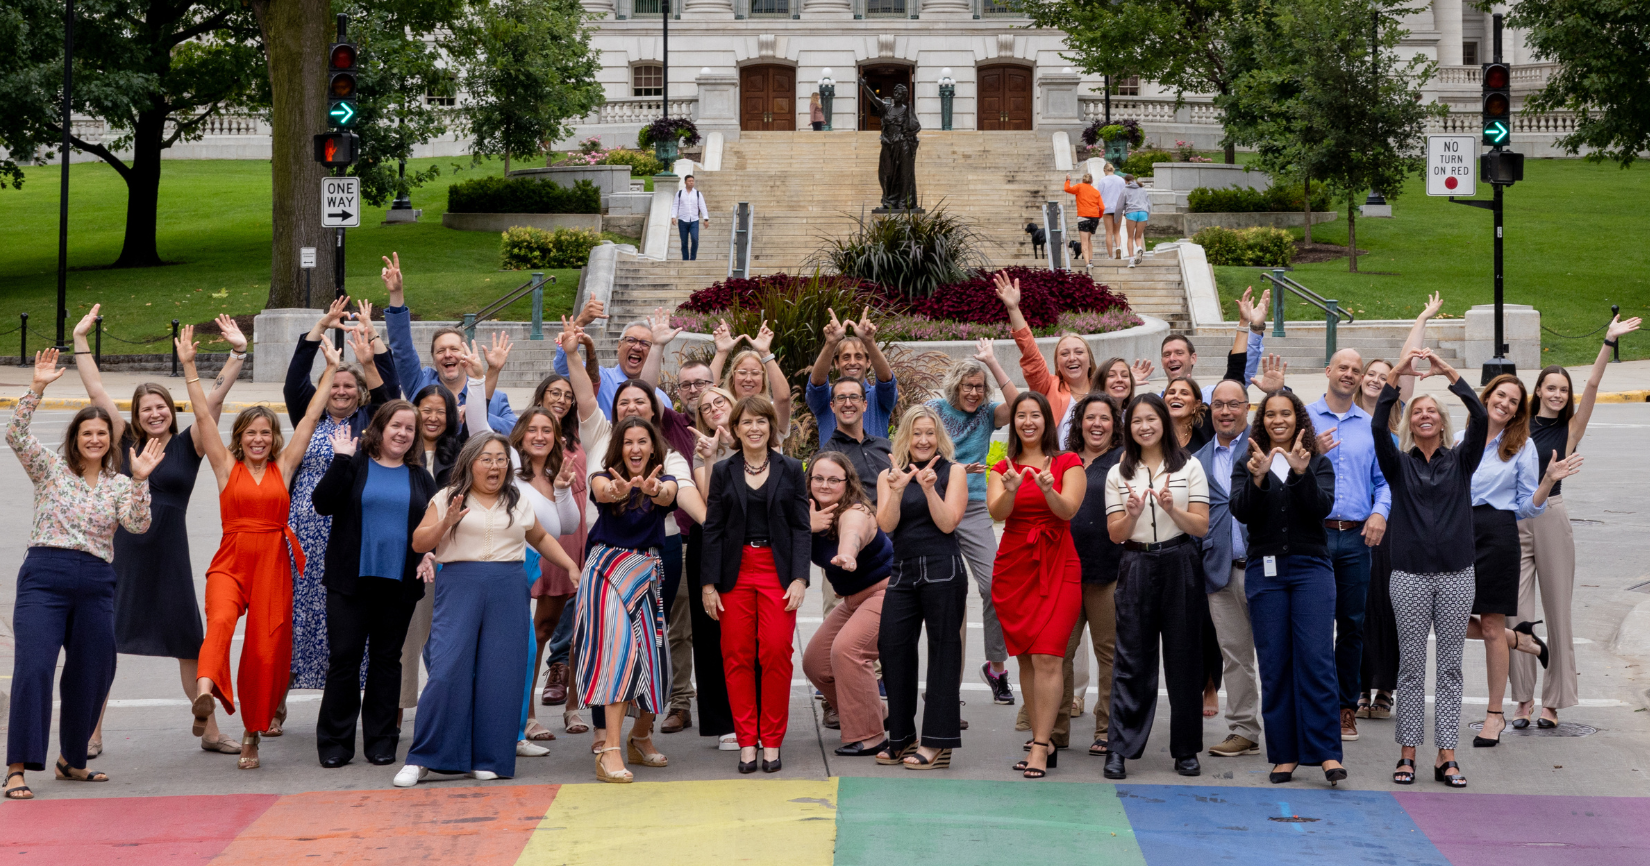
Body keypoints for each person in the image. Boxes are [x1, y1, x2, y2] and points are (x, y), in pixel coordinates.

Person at [71, 306, 247, 757]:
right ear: (136, 415)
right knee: (104, 640)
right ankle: (91, 731)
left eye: (161, 407)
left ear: (172, 411)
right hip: (124, 552)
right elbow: (94, 387)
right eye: (146, 409)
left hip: (170, 553)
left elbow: (215, 400)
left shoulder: (191, 444)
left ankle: (208, 731)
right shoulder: (124, 441)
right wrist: (81, 340)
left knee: (190, 641)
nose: (155, 414)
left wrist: (238, 353)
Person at [5, 349, 161, 800]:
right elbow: (15, 433)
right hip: (45, 576)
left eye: (102, 434)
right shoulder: (51, 470)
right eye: (86, 433)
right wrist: (36, 388)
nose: (94, 439)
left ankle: (71, 760)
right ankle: (17, 767)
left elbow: (137, 525)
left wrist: (140, 480)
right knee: (34, 668)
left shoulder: (118, 483)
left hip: (96, 582)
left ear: (111, 441)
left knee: (94, 669)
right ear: (74, 439)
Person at [186, 328, 336, 771]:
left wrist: (329, 370)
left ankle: (252, 734)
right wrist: (191, 366)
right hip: (231, 561)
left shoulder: (285, 467)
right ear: (240, 437)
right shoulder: (224, 466)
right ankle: (205, 693)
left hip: (273, 563)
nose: (259, 440)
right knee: (219, 622)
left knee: (265, 653)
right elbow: (202, 417)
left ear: (273, 439)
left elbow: (310, 418)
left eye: (266, 434)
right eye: (252, 433)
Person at [395, 432, 581, 787]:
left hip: (509, 588)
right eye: (487, 459)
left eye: (500, 459)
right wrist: (446, 522)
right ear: (470, 463)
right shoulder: (447, 497)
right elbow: (420, 541)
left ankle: (490, 756)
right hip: (460, 585)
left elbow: (539, 538)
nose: (495, 466)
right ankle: (423, 757)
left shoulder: (518, 500)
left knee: (501, 674)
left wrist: (570, 564)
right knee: (447, 669)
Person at [560, 319, 707, 753]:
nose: (631, 407)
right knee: (608, 647)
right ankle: (606, 737)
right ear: (615, 408)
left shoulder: (669, 454)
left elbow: (687, 499)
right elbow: (585, 395)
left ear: (654, 408)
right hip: (607, 554)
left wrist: (667, 495)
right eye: (624, 401)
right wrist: (572, 353)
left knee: (649, 648)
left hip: (657, 552)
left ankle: (641, 734)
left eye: (640, 401)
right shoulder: (602, 436)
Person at [1514, 315, 1640, 728]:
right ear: (1538, 390)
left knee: (1558, 614)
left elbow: (1591, 387)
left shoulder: (1570, 428)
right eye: (1550, 387)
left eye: (1562, 390)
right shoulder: (1517, 427)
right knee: (1516, 615)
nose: (1557, 394)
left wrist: (1608, 342)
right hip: (1514, 522)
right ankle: (1521, 701)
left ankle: (1553, 702)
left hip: (1551, 518)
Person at [283, 299, 402, 725]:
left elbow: (390, 390)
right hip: (303, 532)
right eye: (334, 386)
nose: (341, 392)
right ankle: (278, 698)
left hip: (351, 532)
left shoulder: (370, 423)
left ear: (359, 394)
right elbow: (294, 380)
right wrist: (319, 329)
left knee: (348, 625)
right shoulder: (308, 418)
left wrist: (372, 338)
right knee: (294, 615)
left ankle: (347, 703)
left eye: (349, 387)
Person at [1373, 348, 1487, 788]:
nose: (1424, 416)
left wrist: (1448, 373)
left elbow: (1480, 415)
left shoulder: (1461, 460)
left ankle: (1447, 756)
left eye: (1431, 411)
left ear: (1441, 421)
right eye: (1417, 411)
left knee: (1452, 667)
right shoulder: (1398, 465)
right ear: (1411, 421)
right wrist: (1399, 374)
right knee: (1412, 667)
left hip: (1458, 573)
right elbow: (1377, 425)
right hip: (1409, 576)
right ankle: (1408, 755)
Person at [1229, 389, 1347, 786]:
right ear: (1261, 421)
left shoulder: (1319, 461)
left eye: (1286, 414)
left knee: (1316, 661)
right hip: (1266, 572)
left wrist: (1301, 472)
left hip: (1311, 569)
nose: (1278, 420)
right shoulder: (1249, 462)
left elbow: (1321, 508)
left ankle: (1327, 752)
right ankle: (1284, 755)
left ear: (1298, 419)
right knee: (1275, 664)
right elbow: (1241, 510)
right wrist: (1258, 477)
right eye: (1270, 415)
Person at [312, 401, 436, 768]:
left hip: (397, 584)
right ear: (380, 428)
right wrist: (339, 459)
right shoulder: (354, 464)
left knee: (386, 662)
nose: (402, 433)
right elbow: (322, 503)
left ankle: (382, 740)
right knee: (344, 660)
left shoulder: (419, 476)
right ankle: (335, 742)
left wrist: (428, 553)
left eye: (409, 429)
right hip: (351, 581)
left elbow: (428, 528)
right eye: (395, 425)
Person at [1457, 374, 1574, 747]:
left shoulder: (1521, 447)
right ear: (1487, 397)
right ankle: (1520, 639)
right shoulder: (1463, 441)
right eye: (1500, 395)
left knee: (1490, 626)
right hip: (1459, 535)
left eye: (1513, 401)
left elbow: (1526, 506)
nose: (1504, 404)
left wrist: (1547, 482)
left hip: (1498, 535)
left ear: (1517, 411)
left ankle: (1494, 717)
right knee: (1447, 617)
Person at [1102, 393, 1211, 780]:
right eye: (1136, 421)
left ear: (1164, 421)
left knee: (1184, 658)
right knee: (1132, 659)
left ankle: (1185, 750)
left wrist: (1172, 509)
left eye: (1151, 418)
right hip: (1135, 563)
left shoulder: (1190, 466)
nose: (1144, 426)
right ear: (1128, 429)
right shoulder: (1119, 473)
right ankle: (1120, 748)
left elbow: (1200, 526)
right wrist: (1131, 516)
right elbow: (1116, 535)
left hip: (1181, 561)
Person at [700, 396, 810, 774]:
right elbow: (712, 528)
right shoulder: (723, 471)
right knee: (736, 656)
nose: (754, 428)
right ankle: (747, 741)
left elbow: (801, 526)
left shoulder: (792, 468)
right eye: (745, 422)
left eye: (761, 421)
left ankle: (772, 741)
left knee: (777, 652)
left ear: (771, 426)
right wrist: (708, 584)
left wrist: (800, 577)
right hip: (735, 571)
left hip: (776, 571)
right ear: (735, 429)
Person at [576, 415, 681, 783]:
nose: (635, 448)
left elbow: (667, 496)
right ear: (619, 447)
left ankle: (639, 738)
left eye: (642, 441)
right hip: (605, 570)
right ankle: (610, 751)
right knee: (617, 654)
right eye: (628, 442)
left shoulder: (665, 479)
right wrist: (622, 491)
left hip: (646, 571)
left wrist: (651, 491)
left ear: (653, 446)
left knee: (654, 660)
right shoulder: (602, 475)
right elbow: (604, 492)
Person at [989, 392, 1086, 778]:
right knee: (1027, 657)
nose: (1028, 422)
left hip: (1059, 561)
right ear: (1014, 423)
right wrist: (1012, 486)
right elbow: (998, 512)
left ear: (1047, 420)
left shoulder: (1068, 462)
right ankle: (1036, 735)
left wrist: (1048, 488)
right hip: (1015, 566)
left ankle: (1043, 746)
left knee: (1049, 656)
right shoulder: (1002, 467)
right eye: (1021, 416)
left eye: (1035, 415)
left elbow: (1069, 510)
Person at [1303, 348, 1393, 743]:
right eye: (1344, 367)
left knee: (1352, 625)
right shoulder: (1303, 419)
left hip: (1356, 536)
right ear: (1328, 371)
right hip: (1314, 534)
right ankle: (1314, 706)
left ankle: (1345, 708)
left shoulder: (1373, 427)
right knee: (1313, 626)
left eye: (1356, 370)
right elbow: (1283, 469)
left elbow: (1385, 482)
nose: (1350, 374)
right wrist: (1309, 457)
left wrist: (1380, 513)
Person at [876, 405, 970, 770]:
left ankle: (937, 742)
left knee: (945, 652)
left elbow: (948, 524)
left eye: (930, 432)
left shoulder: (954, 472)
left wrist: (930, 490)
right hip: (902, 571)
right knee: (893, 646)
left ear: (939, 437)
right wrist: (899, 489)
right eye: (917, 433)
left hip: (943, 570)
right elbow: (886, 524)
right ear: (906, 437)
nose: (923, 439)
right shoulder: (891, 475)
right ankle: (901, 736)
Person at [926, 342, 1017, 705]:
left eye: (979, 387)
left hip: (975, 506)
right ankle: (947, 684)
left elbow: (1020, 405)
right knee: (945, 595)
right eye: (968, 386)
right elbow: (915, 451)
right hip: (938, 502)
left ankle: (996, 668)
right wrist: (955, 469)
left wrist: (992, 362)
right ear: (955, 386)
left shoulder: (988, 413)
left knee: (995, 584)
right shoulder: (933, 410)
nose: (974, 393)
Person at [1192, 378, 1264, 761]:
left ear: (1247, 408)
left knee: (1276, 654)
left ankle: (1291, 730)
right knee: (1235, 655)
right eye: (1218, 404)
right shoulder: (1198, 460)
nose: (1225, 412)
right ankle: (1242, 730)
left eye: (1234, 404)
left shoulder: (1264, 446)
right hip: (1220, 572)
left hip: (1265, 569)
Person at [804, 452, 893, 757]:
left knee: (847, 650)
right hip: (854, 600)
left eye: (833, 480)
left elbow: (851, 533)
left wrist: (848, 554)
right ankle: (876, 710)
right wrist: (807, 524)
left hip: (886, 592)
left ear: (847, 483)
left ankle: (870, 736)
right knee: (816, 662)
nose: (825, 485)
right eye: (818, 478)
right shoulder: (808, 513)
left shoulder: (856, 511)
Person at [382, 254, 516, 433]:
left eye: (454, 349)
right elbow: (402, 348)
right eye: (440, 351)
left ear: (466, 355)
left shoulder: (496, 398)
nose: (447, 354)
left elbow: (517, 431)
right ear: (433, 358)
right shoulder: (419, 384)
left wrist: (476, 413)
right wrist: (396, 294)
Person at [1059, 394, 1124, 757]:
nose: (1096, 424)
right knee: (1058, 653)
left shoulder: (1122, 460)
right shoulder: (1064, 461)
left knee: (1110, 655)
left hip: (1108, 572)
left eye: (1104, 418)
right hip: (1064, 572)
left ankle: (1107, 729)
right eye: (1089, 418)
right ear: (1079, 423)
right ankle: (1054, 730)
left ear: (1114, 424)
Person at [398, 383, 465, 729]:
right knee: (407, 638)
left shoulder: (459, 453)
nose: (433, 417)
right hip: (410, 556)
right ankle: (393, 717)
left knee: (447, 644)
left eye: (441, 410)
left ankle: (446, 717)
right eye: (427, 409)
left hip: (450, 558)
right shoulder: (399, 450)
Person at [687, 386, 740, 751]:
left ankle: (753, 717)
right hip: (711, 547)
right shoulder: (703, 451)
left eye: (719, 401)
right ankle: (723, 722)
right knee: (711, 638)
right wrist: (708, 457)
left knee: (748, 638)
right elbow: (710, 502)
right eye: (705, 408)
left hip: (754, 548)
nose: (713, 409)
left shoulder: (759, 434)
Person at [993, 271, 1097, 424]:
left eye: (1079, 352)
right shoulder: (1047, 387)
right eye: (1064, 354)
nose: (1072, 358)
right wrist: (1013, 308)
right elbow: (1031, 355)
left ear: (1090, 361)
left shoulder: (1103, 388)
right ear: (1057, 365)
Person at [554, 298, 672, 419]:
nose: (637, 347)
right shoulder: (600, 378)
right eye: (631, 340)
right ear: (619, 346)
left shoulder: (662, 400)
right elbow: (564, 368)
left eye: (644, 343)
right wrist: (580, 322)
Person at [806, 307, 898, 442]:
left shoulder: (878, 397)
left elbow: (886, 380)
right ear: (836, 363)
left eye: (859, 357)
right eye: (846, 357)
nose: (853, 362)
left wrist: (869, 341)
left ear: (868, 362)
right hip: (833, 463)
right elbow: (816, 383)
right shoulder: (826, 399)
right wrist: (831, 343)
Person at [710, 318, 794, 438]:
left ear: (763, 379)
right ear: (733, 377)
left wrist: (765, 352)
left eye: (755, 373)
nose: (748, 378)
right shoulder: (721, 411)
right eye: (742, 372)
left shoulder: (771, 411)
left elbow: (783, 398)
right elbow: (705, 394)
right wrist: (722, 352)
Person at [821, 378, 893, 508]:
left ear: (865, 405)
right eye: (841, 398)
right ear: (832, 406)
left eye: (854, 397)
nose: (848, 404)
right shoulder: (827, 456)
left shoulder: (886, 447)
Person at [1063, 172, 1103, 267]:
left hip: (1083, 217)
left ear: (1083, 180)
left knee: (1084, 242)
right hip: (1094, 218)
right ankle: (1091, 259)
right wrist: (1098, 217)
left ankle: (1087, 263)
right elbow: (1102, 207)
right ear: (1092, 181)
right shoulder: (1096, 192)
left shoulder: (1079, 187)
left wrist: (1067, 180)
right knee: (1089, 240)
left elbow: (1067, 189)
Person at [671, 175, 709, 261]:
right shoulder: (680, 193)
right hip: (682, 220)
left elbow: (702, 206)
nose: (691, 182)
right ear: (685, 182)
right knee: (684, 242)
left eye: (692, 181)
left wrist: (705, 219)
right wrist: (673, 216)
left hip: (694, 220)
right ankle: (685, 259)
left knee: (695, 239)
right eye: (689, 181)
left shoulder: (697, 194)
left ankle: (693, 258)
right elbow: (675, 205)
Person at [1098, 163, 1126, 259]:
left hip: (1107, 208)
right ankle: (1118, 247)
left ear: (1105, 170)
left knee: (1108, 233)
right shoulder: (1121, 180)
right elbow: (1124, 194)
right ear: (1113, 170)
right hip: (1118, 208)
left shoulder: (1102, 181)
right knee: (1117, 232)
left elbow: (1099, 195)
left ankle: (1110, 256)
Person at [1121, 174, 1151, 265]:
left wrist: (1117, 216)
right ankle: (1139, 248)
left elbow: (1120, 205)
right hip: (1143, 213)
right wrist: (1147, 219)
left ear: (1126, 181)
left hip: (1131, 213)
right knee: (1138, 236)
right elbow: (1148, 205)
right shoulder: (1143, 190)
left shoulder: (1125, 190)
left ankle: (1131, 260)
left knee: (1130, 237)